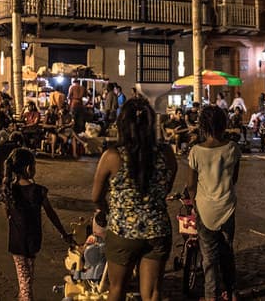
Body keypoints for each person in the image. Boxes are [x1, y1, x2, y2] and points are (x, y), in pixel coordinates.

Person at [92, 98, 177, 301]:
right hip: (157, 229)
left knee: (117, 288)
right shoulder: (166, 154)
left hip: (123, 231)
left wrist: (106, 209)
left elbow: (96, 196)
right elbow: (166, 187)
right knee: (153, 293)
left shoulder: (112, 156)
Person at [3, 148, 75, 301]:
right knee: (27, 282)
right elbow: (51, 214)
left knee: (26, 281)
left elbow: (8, 214)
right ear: (29, 168)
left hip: (17, 243)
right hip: (33, 241)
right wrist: (63, 233)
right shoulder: (38, 191)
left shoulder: (9, 189)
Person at [185, 105, 241, 301]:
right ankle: (232, 292)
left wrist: (195, 203)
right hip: (227, 208)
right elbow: (234, 179)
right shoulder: (233, 149)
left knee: (209, 260)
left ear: (202, 126)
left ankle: (211, 296)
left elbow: (191, 185)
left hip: (204, 210)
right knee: (227, 254)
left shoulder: (195, 152)